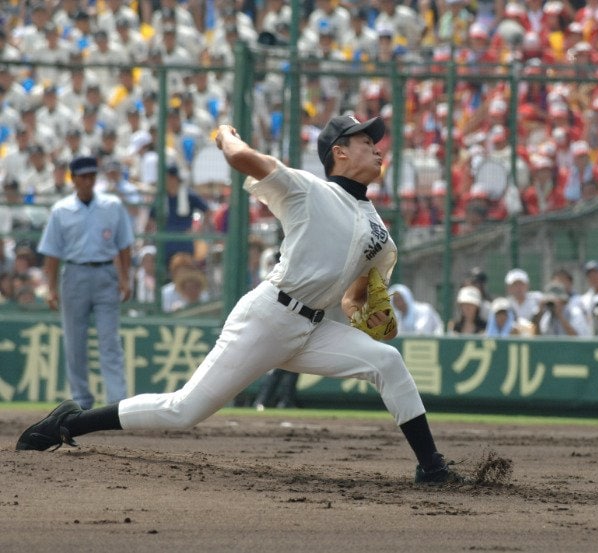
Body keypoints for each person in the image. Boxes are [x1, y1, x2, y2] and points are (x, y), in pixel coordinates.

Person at [17, 116, 466, 485]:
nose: (377, 146)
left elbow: (353, 296)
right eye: (366, 140)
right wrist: (225, 134)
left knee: (386, 361)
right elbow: (245, 159)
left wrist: (360, 312)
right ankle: (69, 424)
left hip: (312, 330)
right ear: (340, 153)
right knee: (183, 411)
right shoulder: (308, 191)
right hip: (268, 317)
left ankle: (432, 467)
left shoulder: (380, 234)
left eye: (376, 140)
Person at [35, 156, 134, 410]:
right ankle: (81, 399)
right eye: (83, 176)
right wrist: (51, 288)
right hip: (75, 274)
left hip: (104, 274)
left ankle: (116, 402)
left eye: (92, 176)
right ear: (74, 179)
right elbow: (52, 254)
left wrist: (125, 278)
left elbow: (124, 245)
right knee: (74, 342)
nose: (88, 181)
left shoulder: (112, 205)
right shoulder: (61, 210)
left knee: (109, 341)